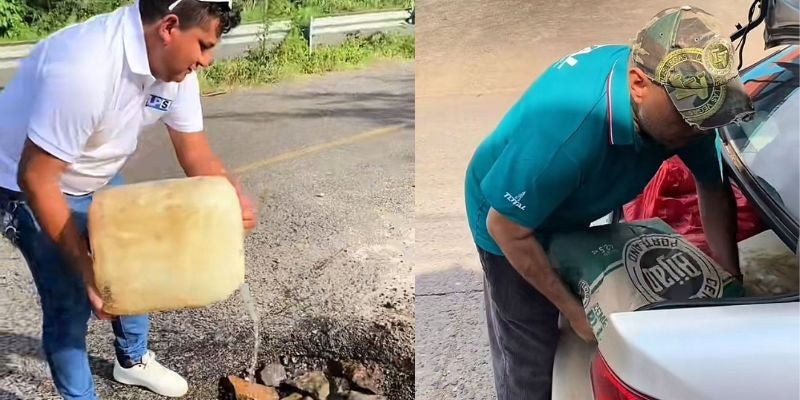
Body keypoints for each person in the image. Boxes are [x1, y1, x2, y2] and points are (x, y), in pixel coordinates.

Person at [463, 6, 754, 400]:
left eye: (704, 117)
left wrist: (728, 277)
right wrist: (575, 313)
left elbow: (712, 186)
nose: (697, 130)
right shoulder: (568, 129)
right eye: (687, 118)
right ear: (638, 84)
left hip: (577, 193)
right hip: (508, 216)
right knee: (532, 346)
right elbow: (508, 228)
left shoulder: (688, 105)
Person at [0, 0, 257, 398]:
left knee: (134, 265)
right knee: (71, 301)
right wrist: (87, 268)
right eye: (204, 45)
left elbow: (195, 151)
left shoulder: (176, 68)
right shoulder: (87, 67)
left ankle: (132, 361)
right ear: (169, 27)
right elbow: (36, 176)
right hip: (25, 183)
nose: (208, 61)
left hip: (93, 170)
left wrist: (230, 195)